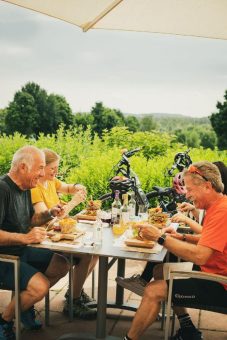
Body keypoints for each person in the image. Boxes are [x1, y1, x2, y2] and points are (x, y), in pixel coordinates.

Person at [123, 161, 227, 340]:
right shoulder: (218, 205)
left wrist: (160, 238)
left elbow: (201, 256)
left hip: (219, 283)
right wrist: (181, 238)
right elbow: (212, 242)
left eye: (190, 189)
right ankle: (187, 328)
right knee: (159, 270)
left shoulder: (221, 212)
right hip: (213, 272)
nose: (187, 195)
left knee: (153, 290)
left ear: (208, 186)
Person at [0, 146, 70, 340]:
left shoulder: (24, 187)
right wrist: (25, 238)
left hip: (21, 251)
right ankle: (5, 320)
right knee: (40, 287)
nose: (42, 174)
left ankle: (23, 306)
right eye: (39, 168)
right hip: (4, 257)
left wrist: (49, 213)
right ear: (23, 167)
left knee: (61, 264)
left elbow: (29, 220)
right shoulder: (2, 189)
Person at [31, 148, 98, 319]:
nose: (56, 171)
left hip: (58, 234)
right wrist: (74, 202)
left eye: (57, 167)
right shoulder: (35, 188)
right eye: (52, 168)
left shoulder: (51, 182)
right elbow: (48, 220)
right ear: (41, 167)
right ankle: (73, 302)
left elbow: (67, 187)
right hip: (47, 238)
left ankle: (74, 292)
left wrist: (77, 187)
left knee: (94, 253)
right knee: (86, 255)